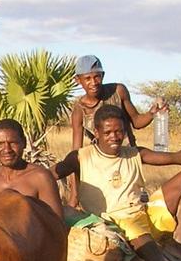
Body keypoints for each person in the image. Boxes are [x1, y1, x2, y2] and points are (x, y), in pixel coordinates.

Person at [53, 106, 181, 261]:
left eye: (119, 131)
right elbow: (50, 175)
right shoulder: (81, 156)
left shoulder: (135, 154)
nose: (114, 137)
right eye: (108, 132)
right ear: (97, 132)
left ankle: (179, 245)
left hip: (142, 214)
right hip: (118, 222)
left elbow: (175, 157)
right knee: (151, 253)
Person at [66, 55, 166, 206]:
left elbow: (136, 121)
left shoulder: (118, 92)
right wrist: (74, 193)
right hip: (102, 163)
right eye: (87, 78)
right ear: (78, 80)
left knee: (132, 202)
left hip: (127, 159)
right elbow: (77, 153)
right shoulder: (79, 110)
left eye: (97, 77)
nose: (93, 82)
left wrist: (152, 113)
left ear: (103, 76)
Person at [0, 118, 64, 218]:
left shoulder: (40, 178)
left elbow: (56, 223)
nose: (7, 150)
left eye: (13, 143)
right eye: (0, 144)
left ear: (24, 143)